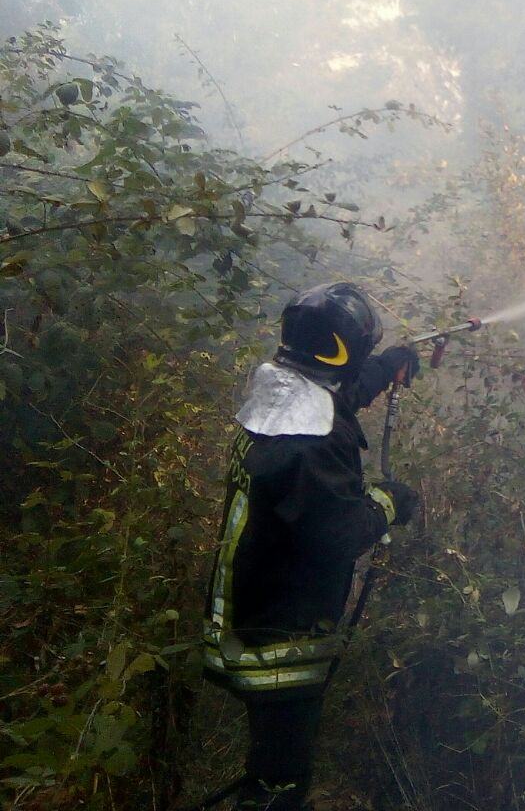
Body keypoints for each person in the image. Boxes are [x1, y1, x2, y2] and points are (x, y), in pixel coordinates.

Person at [200, 281, 421, 809]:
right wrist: (391, 503)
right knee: (281, 780)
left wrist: (387, 364)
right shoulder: (312, 445)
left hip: (249, 614)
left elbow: (336, 392)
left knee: (272, 760)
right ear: (341, 349)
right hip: (280, 638)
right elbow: (338, 537)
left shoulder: (278, 392)